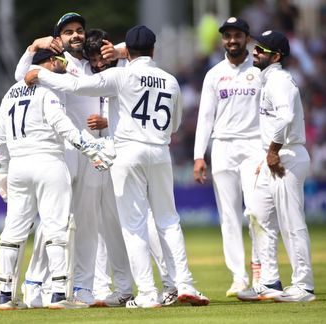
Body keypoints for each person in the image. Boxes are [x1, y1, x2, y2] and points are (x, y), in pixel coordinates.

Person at [25, 25, 209, 308]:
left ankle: (147, 293)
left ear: (126, 51)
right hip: (160, 153)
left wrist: (40, 73)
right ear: (154, 49)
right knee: (168, 221)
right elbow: (174, 125)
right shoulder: (170, 80)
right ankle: (183, 284)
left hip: (126, 153)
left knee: (133, 225)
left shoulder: (120, 75)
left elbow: (74, 85)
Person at [0, 48, 114, 310]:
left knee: (13, 230)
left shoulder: (9, 94)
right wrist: (92, 149)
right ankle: (58, 293)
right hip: (48, 161)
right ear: (43, 64)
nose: (61, 63)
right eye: (55, 60)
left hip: (18, 166)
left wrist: (2, 172)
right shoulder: (48, 91)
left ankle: (4, 294)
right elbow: (64, 126)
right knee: (56, 228)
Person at [15, 12, 122, 307]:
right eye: (68, 32)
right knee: (54, 222)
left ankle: (82, 288)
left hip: (92, 152)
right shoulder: (56, 65)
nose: (75, 35)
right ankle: (36, 283)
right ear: (58, 39)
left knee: (87, 221)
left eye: (79, 30)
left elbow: (127, 65)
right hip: (62, 150)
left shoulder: (95, 63)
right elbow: (20, 78)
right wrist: (32, 48)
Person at [84, 28, 177, 307]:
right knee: (107, 228)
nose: (99, 63)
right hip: (96, 157)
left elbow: (138, 117)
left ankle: (169, 283)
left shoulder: (126, 70)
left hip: (126, 155)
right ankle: (122, 288)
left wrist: (105, 121)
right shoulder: (90, 74)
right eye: (93, 60)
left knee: (146, 223)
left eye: (102, 57)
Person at [237, 30, 315, 302]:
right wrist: (264, 156)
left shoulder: (279, 80)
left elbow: (286, 117)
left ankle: (303, 286)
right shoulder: (267, 79)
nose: (254, 52)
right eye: (256, 47)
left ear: (276, 56)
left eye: (261, 49)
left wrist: (272, 152)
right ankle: (269, 282)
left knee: (291, 222)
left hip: (287, 155)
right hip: (272, 155)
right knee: (258, 215)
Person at [193, 17, 263, 297]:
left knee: (257, 211)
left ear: (247, 38)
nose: (231, 40)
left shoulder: (260, 70)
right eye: (227, 36)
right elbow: (205, 117)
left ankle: (261, 271)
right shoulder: (214, 73)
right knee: (229, 216)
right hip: (222, 148)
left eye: (237, 35)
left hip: (255, 146)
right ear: (222, 39)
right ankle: (239, 276)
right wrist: (199, 156)